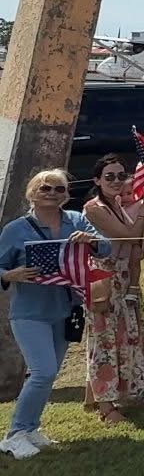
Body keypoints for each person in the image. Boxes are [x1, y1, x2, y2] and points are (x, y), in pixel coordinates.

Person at [0, 170, 110, 459]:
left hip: (65, 309)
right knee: (43, 371)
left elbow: (106, 247)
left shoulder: (75, 220)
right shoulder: (15, 229)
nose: (51, 193)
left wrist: (92, 240)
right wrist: (11, 274)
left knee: (49, 375)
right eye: (45, 188)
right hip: (29, 312)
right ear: (32, 192)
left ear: (66, 194)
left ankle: (31, 428)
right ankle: (14, 434)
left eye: (59, 189)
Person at [83, 154, 144, 422]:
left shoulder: (116, 204)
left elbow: (134, 242)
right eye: (109, 177)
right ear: (97, 180)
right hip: (105, 281)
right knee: (104, 343)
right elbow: (129, 236)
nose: (116, 181)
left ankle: (104, 396)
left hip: (125, 280)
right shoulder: (94, 208)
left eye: (120, 175)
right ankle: (106, 408)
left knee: (124, 339)